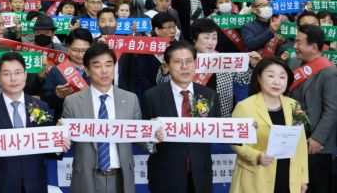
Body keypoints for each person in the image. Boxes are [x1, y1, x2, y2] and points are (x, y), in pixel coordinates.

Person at [0, 51, 68, 193]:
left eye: (18, 72)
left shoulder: (41, 107)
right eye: (6, 74)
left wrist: (59, 145)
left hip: (35, 184)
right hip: (1, 186)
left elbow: (49, 152)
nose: (13, 78)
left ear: (25, 75)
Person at [63, 42, 146, 193]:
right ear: (87, 70)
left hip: (121, 179)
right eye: (97, 66)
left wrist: (153, 137)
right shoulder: (72, 101)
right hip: (87, 179)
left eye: (108, 65)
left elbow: (140, 138)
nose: (104, 71)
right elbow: (65, 143)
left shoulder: (130, 99)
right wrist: (59, 136)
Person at [142, 41, 221, 193]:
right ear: (166, 65)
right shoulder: (151, 96)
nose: (184, 67)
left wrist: (247, 128)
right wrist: (150, 135)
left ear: (195, 64)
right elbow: (144, 140)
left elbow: (220, 128)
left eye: (189, 61)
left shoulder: (209, 95)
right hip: (165, 176)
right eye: (178, 62)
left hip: (200, 175)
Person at [229, 57, 309, 193]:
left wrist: (303, 178)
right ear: (259, 78)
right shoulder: (245, 106)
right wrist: (257, 156)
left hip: (289, 177)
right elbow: (235, 142)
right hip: (256, 177)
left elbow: (301, 144)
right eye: (271, 76)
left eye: (282, 77)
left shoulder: (294, 106)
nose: (277, 82)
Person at [288, 25, 337, 193]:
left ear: (314, 47)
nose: (295, 46)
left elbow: (332, 110)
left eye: (298, 42)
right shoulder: (294, 63)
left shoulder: (329, 72)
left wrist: (318, 139)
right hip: (294, 139)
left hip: (316, 145)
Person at [42, 28, 92, 118]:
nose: (80, 55)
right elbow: (45, 100)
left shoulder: (97, 70)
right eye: (76, 50)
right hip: (65, 122)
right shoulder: (56, 71)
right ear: (68, 48)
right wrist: (57, 95)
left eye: (84, 50)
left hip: (92, 123)